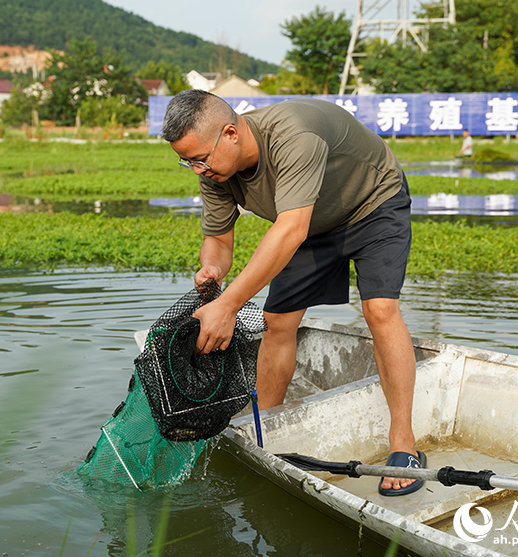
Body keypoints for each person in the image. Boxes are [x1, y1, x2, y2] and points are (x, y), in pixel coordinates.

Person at [161, 89, 424, 496]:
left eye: (200, 158)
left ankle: (404, 444)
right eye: (187, 161)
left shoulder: (293, 135)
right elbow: (218, 239)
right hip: (313, 221)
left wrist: (229, 303)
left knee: (380, 309)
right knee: (276, 320)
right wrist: (213, 268)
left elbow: (290, 230)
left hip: (373, 203)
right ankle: (265, 428)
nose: (197, 170)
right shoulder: (216, 172)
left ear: (230, 133)